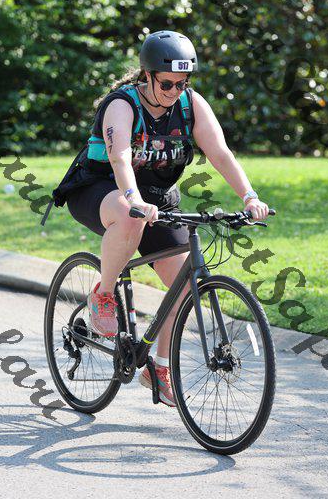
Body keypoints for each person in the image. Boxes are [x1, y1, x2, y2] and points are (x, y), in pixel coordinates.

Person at [52, 30, 269, 407]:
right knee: (129, 217)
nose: (174, 91)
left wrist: (249, 197)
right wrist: (132, 198)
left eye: (182, 83)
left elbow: (220, 153)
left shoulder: (190, 105)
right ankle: (103, 294)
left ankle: (160, 366)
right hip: (99, 188)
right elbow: (120, 158)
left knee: (185, 285)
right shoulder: (122, 105)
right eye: (167, 83)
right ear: (147, 75)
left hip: (157, 199)